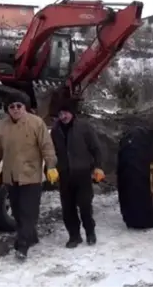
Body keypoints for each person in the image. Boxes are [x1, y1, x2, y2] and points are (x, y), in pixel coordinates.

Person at [0, 92, 59, 260]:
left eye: (18, 106)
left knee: (29, 212)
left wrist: (51, 166)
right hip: (11, 176)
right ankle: (30, 237)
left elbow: (47, 147)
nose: (15, 109)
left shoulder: (36, 123)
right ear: (8, 109)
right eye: (11, 107)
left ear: (25, 107)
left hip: (31, 175)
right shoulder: (1, 126)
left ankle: (22, 246)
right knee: (18, 213)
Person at [50, 100, 104, 248]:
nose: (63, 116)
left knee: (85, 205)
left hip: (83, 173)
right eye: (60, 114)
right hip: (65, 175)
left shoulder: (84, 127)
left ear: (72, 113)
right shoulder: (55, 131)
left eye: (66, 113)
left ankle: (90, 232)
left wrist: (98, 167)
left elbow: (96, 148)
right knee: (68, 208)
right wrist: (50, 168)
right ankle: (74, 236)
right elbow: (50, 152)